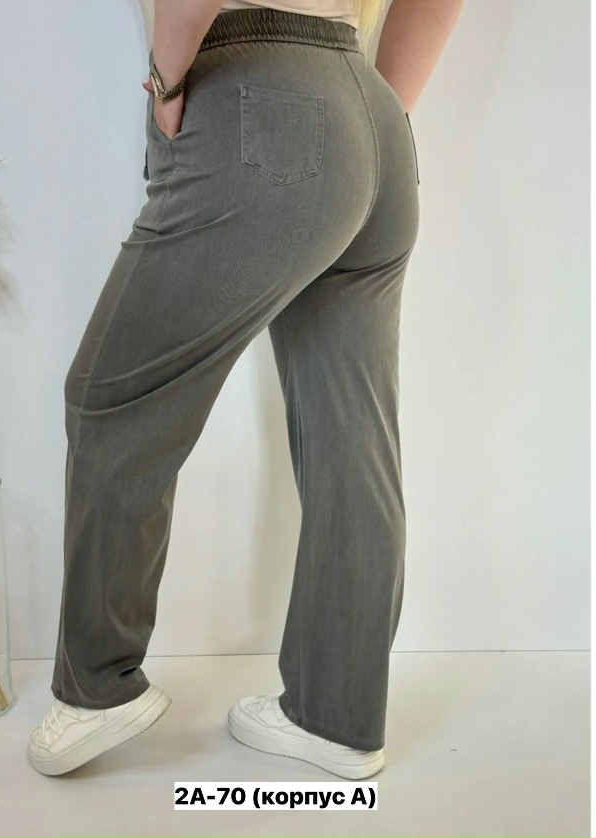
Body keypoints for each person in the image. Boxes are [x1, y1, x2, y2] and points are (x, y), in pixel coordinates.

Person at [26, 0, 464, 780]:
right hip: (374, 116)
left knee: (114, 398)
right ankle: (337, 717)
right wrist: (376, 111)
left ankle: (97, 690)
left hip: (259, 86)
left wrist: (166, 84)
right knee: (351, 432)